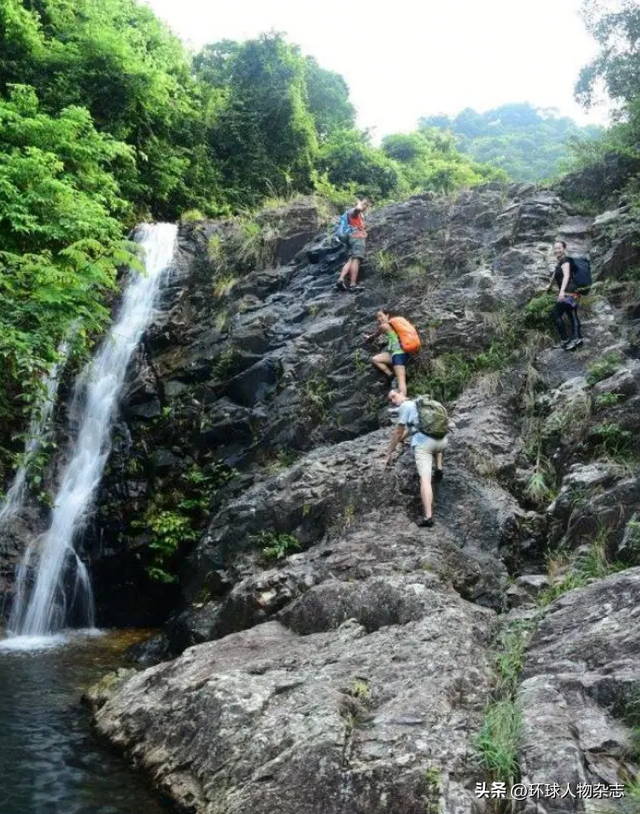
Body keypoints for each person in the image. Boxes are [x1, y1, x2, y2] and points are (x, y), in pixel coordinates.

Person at [384, 390, 447, 528]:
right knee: (433, 433)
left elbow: (399, 431)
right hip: (442, 442)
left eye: (393, 397)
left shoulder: (404, 407)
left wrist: (389, 452)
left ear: (401, 394)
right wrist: (403, 439)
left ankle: (428, 517)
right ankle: (439, 467)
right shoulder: (421, 403)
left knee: (425, 480)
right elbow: (417, 427)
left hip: (424, 445)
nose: (393, 401)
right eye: (390, 400)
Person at [547, 240, 583, 351]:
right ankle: (569, 339)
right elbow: (555, 277)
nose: (557, 250)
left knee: (559, 313)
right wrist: (548, 288)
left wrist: (561, 291)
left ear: (564, 249)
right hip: (568, 292)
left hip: (570, 291)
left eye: (559, 248)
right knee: (568, 314)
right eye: (555, 248)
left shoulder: (565, 261)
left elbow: (567, 276)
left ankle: (575, 339)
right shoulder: (560, 263)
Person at [364, 310, 409, 396]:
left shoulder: (385, 326)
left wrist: (369, 337)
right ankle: (391, 375)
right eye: (377, 317)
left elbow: (375, 335)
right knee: (375, 359)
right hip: (395, 354)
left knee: (401, 380)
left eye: (381, 316)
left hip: (399, 354)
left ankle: (403, 399)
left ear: (387, 315)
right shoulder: (394, 325)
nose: (379, 319)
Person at [336, 199, 370, 292]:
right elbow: (358, 209)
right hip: (356, 238)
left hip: (351, 238)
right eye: (365, 205)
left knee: (351, 259)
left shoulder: (356, 215)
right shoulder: (353, 211)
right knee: (357, 259)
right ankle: (353, 284)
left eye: (367, 206)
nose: (365, 207)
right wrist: (359, 203)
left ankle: (341, 279)